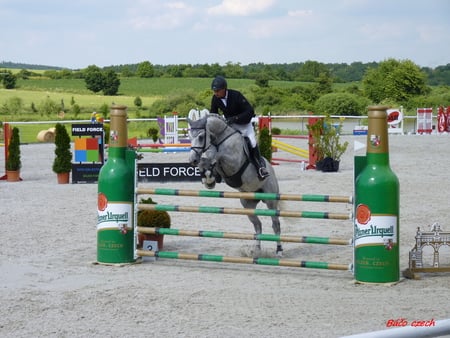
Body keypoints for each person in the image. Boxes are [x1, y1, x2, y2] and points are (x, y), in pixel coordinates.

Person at [210, 76, 269, 179]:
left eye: (217, 91)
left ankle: (260, 167)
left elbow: (250, 111)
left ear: (224, 89)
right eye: (214, 91)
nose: (215, 93)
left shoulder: (236, 95)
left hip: (244, 124)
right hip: (230, 127)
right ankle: (216, 169)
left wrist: (235, 118)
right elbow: (213, 114)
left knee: (253, 142)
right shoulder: (215, 98)